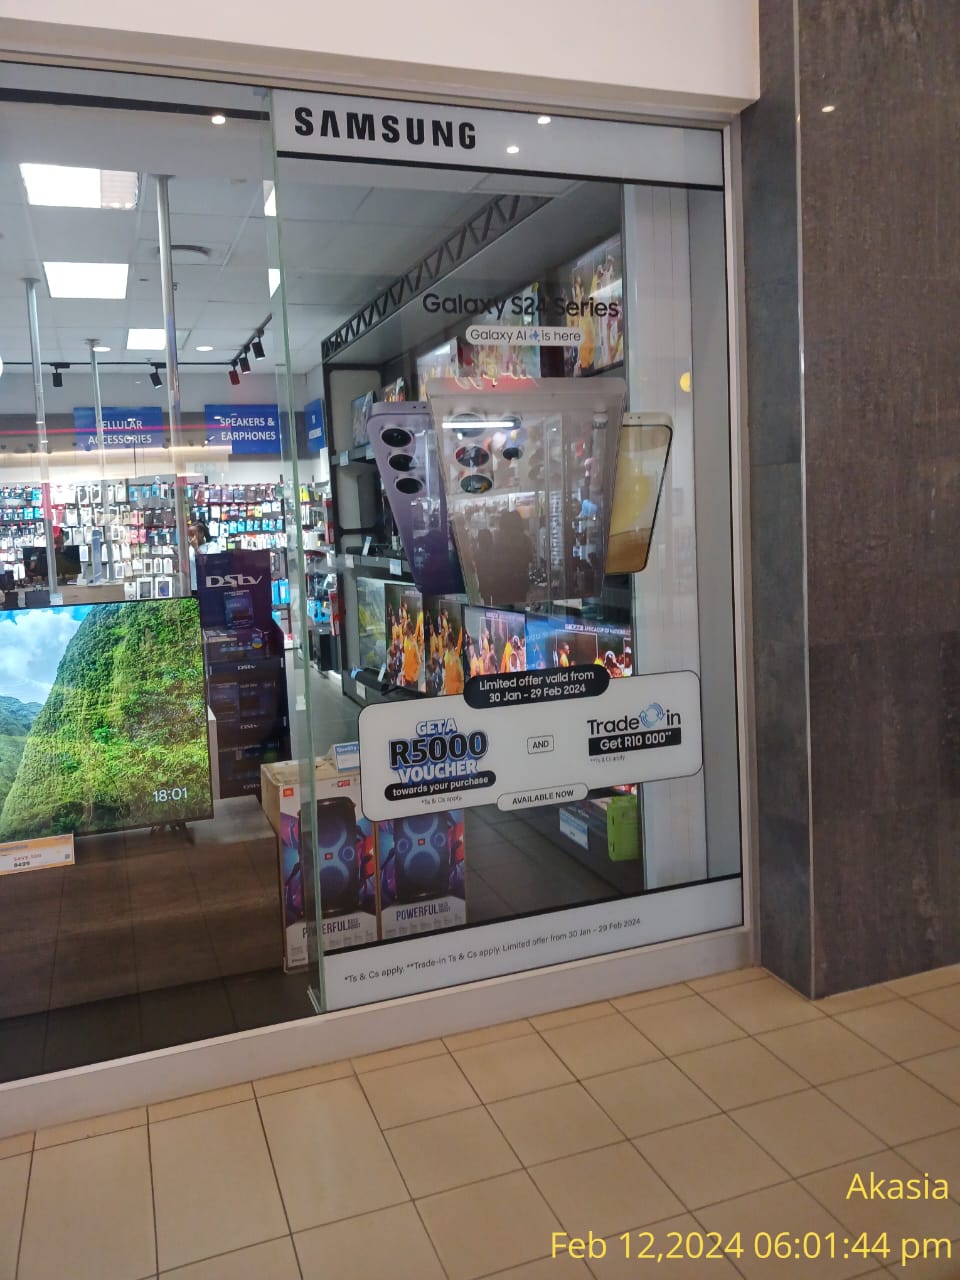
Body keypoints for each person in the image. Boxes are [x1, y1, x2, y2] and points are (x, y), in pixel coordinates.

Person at [188, 521, 216, 592]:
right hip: (193, 587)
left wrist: (196, 548)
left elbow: (206, 563)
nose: (191, 537)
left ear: (202, 533)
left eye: (193, 534)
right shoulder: (190, 548)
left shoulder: (212, 546)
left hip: (207, 587)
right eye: (189, 534)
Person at [443, 627, 464, 695]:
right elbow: (446, 673)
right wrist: (443, 687)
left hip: (454, 694)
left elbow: (461, 679)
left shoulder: (456, 659)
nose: (444, 640)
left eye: (446, 638)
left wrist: (458, 694)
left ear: (450, 641)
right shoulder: (446, 654)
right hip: (447, 693)